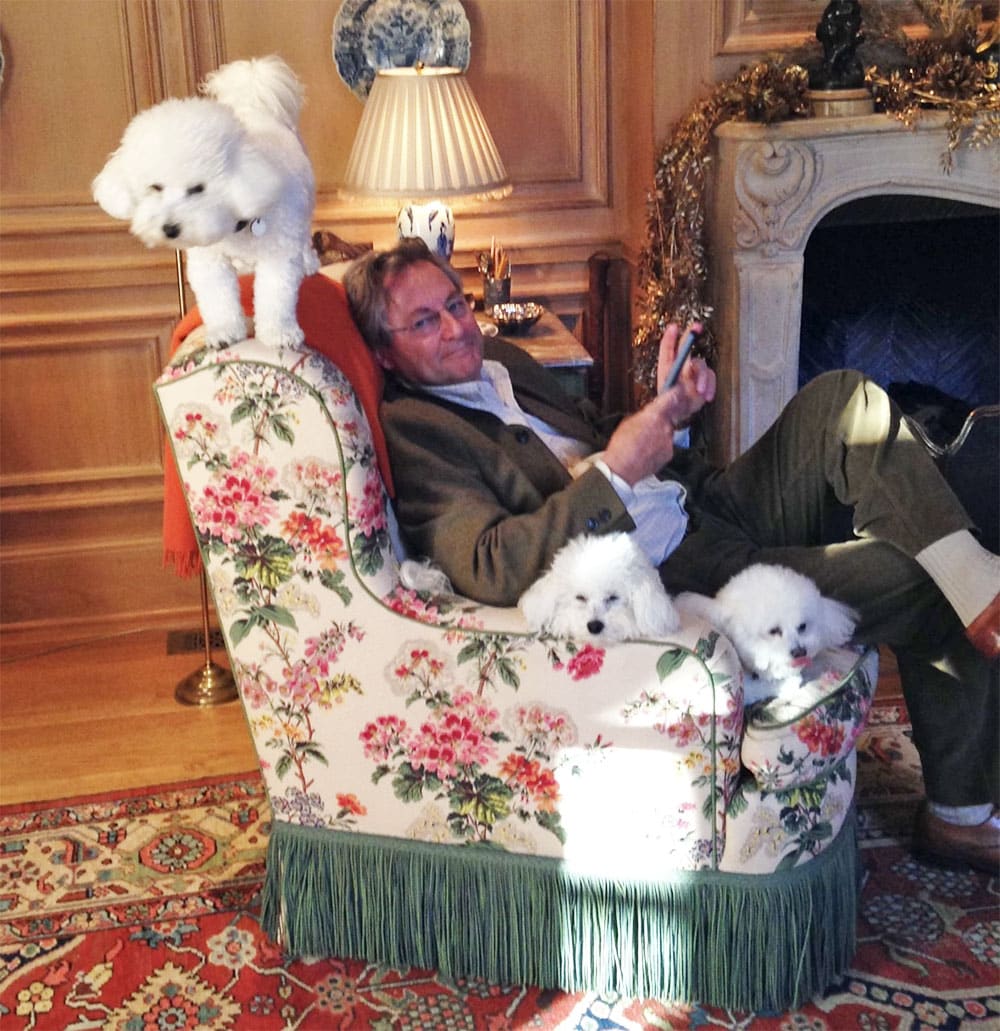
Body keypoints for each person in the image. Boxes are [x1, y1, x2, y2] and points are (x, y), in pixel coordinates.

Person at [343, 238, 999, 873]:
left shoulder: (504, 358)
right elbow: (489, 565)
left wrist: (667, 409)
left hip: (702, 506)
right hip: (679, 572)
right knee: (924, 570)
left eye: (455, 304)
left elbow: (597, 440)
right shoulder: (416, 428)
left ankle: (978, 587)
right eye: (423, 322)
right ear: (386, 352)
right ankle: (960, 810)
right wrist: (620, 474)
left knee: (844, 398)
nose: (456, 328)